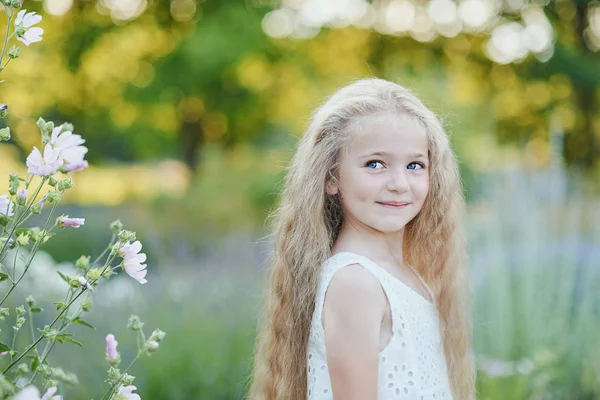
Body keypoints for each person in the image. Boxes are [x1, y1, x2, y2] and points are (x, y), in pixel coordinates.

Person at [249, 78, 476, 400]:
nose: (399, 183)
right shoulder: (355, 283)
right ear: (331, 177)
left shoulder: (402, 271)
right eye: (375, 164)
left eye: (415, 165)